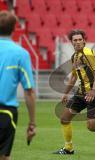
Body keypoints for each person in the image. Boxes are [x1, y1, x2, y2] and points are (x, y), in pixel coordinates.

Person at [54, 29, 95, 155]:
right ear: (71, 42)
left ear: (84, 41)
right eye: (75, 40)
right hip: (80, 94)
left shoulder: (87, 53)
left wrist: (94, 90)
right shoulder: (74, 57)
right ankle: (68, 148)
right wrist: (66, 93)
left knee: (92, 127)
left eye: (80, 40)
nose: (78, 42)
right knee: (64, 119)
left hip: (93, 95)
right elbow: (73, 77)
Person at [0, 11, 36, 160]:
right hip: (6, 113)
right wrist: (32, 123)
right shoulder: (21, 54)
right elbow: (29, 91)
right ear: (15, 28)